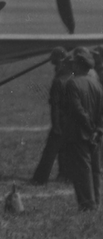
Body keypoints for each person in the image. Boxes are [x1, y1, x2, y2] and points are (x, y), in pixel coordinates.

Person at [59, 47, 103, 211]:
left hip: (79, 133)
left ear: (78, 65)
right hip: (96, 135)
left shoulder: (72, 83)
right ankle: (96, 202)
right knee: (95, 170)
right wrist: (98, 130)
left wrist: (90, 127)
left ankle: (87, 204)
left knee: (82, 170)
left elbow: (77, 110)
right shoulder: (97, 84)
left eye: (73, 63)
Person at [31, 48, 70, 185]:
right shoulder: (70, 75)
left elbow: (55, 106)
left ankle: (40, 179)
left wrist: (56, 125)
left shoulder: (59, 79)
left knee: (50, 151)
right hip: (71, 119)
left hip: (60, 119)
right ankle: (65, 175)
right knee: (65, 148)